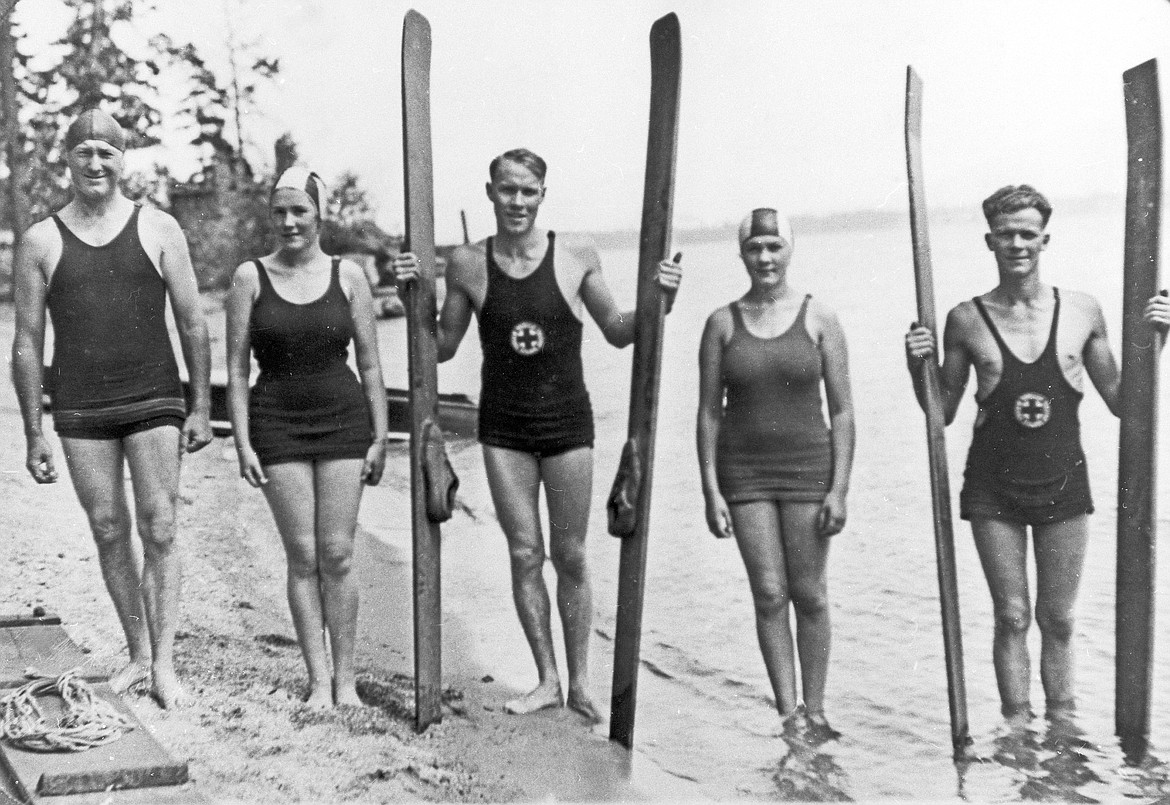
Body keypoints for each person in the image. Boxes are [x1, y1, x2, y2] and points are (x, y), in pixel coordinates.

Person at [392, 148, 681, 723]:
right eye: (507, 190)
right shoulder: (470, 264)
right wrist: (411, 299)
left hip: (568, 422)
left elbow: (621, 332)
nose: (517, 201)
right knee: (526, 553)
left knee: (571, 555)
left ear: (543, 195)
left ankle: (582, 686)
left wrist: (660, 299)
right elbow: (443, 346)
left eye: (528, 191)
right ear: (490, 191)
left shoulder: (575, 254)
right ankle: (546, 680)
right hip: (503, 427)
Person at [904, 185, 1170, 721]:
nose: (1018, 244)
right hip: (992, 487)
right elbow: (942, 412)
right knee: (1012, 616)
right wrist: (918, 368)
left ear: (1045, 239)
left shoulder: (1082, 311)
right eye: (1006, 234)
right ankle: (1019, 731)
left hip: (1064, 482)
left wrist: (1156, 340)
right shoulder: (965, 319)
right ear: (990, 241)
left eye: (1028, 233)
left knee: (1061, 619)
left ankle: (1064, 732)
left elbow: (1124, 402)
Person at [11, 108, 213, 708]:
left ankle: (166, 666)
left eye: (106, 152)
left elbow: (193, 323)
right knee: (107, 528)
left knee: (161, 525)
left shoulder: (159, 228)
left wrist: (200, 407)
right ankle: (139, 653)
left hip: (153, 395)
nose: (95, 163)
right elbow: (26, 342)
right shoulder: (41, 240)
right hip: (79, 405)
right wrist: (33, 432)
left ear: (123, 160)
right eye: (83, 153)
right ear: (66, 160)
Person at [225, 167, 388, 709]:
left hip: (343, 423)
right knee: (302, 556)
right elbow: (236, 370)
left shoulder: (349, 277)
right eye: (281, 211)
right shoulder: (250, 277)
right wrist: (244, 443)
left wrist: (381, 436)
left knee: (338, 554)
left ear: (320, 215)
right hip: (278, 425)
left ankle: (347, 680)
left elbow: (369, 362)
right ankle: (318, 682)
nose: (290, 222)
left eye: (301, 211)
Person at [696, 208, 854, 736]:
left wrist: (839, 489)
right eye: (754, 248)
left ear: (790, 250)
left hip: (809, 469)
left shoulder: (820, 318)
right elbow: (708, 413)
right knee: (768, 594)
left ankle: (817, 708)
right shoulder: (722, 322)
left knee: (809, 593)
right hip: (744, 474)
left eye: (774, 247)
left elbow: (844, 411)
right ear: (742, 254)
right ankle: (788, 714)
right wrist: (710, 490)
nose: (765, 257)